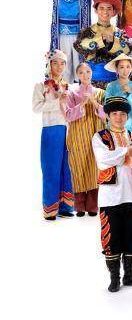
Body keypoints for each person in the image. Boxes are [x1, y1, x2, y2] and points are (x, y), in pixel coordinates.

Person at [92, 96, 132, 292]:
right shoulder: (100, 137)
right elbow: (102, 160)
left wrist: (121, 155)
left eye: (122, 114)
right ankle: (114, 278)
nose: (118, 117)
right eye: (114, 113)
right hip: (110, 196)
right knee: (111, 237)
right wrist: (125, 152)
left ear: (127, 116)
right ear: (108, 115)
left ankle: (129, 276)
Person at [33, 50, 74, 220]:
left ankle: (66, 206)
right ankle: (50, 208)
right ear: (49, 64)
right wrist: (58, 102)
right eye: (55, 63)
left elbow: (71, 109)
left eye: (62, 63)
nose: (59, 66)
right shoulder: (41, 86)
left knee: (67, 168)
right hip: (51, 129)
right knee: (51, 168)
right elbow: (36, 107)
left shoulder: (68, 86)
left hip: (67, 129)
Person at [64, 62, 106, 217]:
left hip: (95, 135)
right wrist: (82, 103)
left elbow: (106, 115)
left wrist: (93, 102)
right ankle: (79, 206)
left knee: (94, 168)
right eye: (81, 72)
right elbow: (68, 115)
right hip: (77, 136)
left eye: (88, 71)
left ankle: (93, 206)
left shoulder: (100, 93)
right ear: (77, 75)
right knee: (78, 167)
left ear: (92, 73)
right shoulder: (71, 92)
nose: (85, 75)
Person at [74, 0, 131, 88]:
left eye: (109, 8)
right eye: (101, 8)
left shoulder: (120, 33)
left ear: (113, 12)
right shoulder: (86, 32)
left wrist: (113, 41)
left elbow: (127, 51)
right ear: (96, 10)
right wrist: (101, 40)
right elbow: (80, 48)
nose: (105, 11)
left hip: (115, 82)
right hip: (90, 82)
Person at [104, 54, 132, 133]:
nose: (125, 70)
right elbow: (107, 107)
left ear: (131, 68)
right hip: (114, 124)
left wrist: (131, 93)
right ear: (116, 69)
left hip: (131, 124)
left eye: (128, 67)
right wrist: (120, 93)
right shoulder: (111, 86)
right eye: (122, 67)